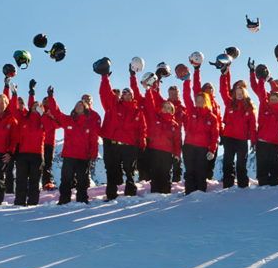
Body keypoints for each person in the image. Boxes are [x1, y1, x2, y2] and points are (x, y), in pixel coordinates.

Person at [100, 66, 147, 200]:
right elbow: (105, 93)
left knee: (129, 169)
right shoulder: (114, 106)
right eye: (124, 93)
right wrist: (105, 77)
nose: (126, 94)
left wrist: (142, 141)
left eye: (129, 93)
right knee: (112, 169)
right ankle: (111, 194)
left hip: (129, 145)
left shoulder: (138, 111)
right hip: (113, 144)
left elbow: (142, 128)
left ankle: (131, 193)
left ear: (132, 96)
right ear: (122, 95)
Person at [46, 94, 100, 204]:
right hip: (69, 156)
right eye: (77, 104)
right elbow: (56, 112)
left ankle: (82, 200)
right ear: (74, 108)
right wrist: (51, 97)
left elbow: (93, 140)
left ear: (86, 108)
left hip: (83, 157)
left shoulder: (90, 123)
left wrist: (93, 154)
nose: (79, 106)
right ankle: (64, 200)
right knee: (66, 180)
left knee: (82, 180)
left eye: (81, 105)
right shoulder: (68, 120)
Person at [250, 66, 278, 186]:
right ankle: (262, 181)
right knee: (262, 163)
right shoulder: (264, 106)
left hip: (275, 143)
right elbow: (258, 89)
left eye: (275, 98)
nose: (273, 99)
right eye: (271, 98)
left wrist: (270, 80)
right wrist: (257, 76)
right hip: (262, 141)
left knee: (275, 165)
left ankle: (276, 180)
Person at [219, 65, 257, 188]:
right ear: (234, 94)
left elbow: (252, 126)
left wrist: (253, 141)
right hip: (229, 138)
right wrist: (223, 75)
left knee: (241, 163)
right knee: (228, 162)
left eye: (241, 93)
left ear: (245, 94)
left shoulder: (249, 108)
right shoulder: (229, 103)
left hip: (242, 140)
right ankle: (228, 185)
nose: (239, 95)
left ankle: (243, 186)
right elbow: (223, 90)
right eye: (237, 93)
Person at [181, 78, 220, 194]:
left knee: (201, 171)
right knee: (190, 171)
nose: (199, 102)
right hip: (189, 146)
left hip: (203, 148)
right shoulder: (192, 111)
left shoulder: (212, 117)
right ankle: (189, 193)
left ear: (206, 101)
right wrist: (187, 81)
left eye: (202, 100)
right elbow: (186, 97)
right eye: (197, 100)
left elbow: (215, 135)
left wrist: (212, 150)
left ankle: (201, 195)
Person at [12, 80, 48, 206]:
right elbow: (13, 109)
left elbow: (53, 124)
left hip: (37, 155)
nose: (35, 107)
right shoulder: (23, 119)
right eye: (34, 106)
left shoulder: (44, 122)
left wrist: (42, 113)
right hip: (22, 154)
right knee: (21, 179)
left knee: (34, 180)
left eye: (38, 106)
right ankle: (19, 202)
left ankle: (33, 203)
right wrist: (15, 94)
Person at [141, 85, 182, 194]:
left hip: (167, 153)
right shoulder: (155, 118)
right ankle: (154, 195)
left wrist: (177, 154)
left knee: (166, 174)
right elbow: (149, 105)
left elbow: (177, 141)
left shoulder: (175, 125)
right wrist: (148, 90)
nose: (167, 109)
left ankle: (166, 195)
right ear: (161, 108)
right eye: (165, 107)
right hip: (154, 151)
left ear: (172, 111)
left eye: (169, 108)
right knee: (155, 174)